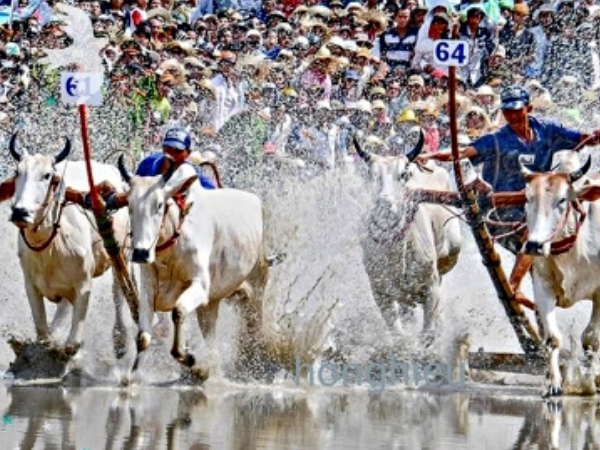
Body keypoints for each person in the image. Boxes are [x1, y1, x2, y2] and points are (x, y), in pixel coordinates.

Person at [419, 84, 600, 308]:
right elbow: (463, 152)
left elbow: (583, 139)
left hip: (537, 205)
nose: (512, 116)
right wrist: (432, 155)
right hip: (501, 212)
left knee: (567, 219)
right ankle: (514, 288)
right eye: (507, 111)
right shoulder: (496, 139)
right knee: (532, 232)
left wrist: (594, 137)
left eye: (517, 110)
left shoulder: (548, 130)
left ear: (529, 108)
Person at [136, 127, 216, 189]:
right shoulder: (148, 164)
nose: (171, 153)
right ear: (163, 148)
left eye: (178, 150)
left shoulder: (193, 174)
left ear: (188, 153)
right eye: (168, 148)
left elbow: (212, 194)